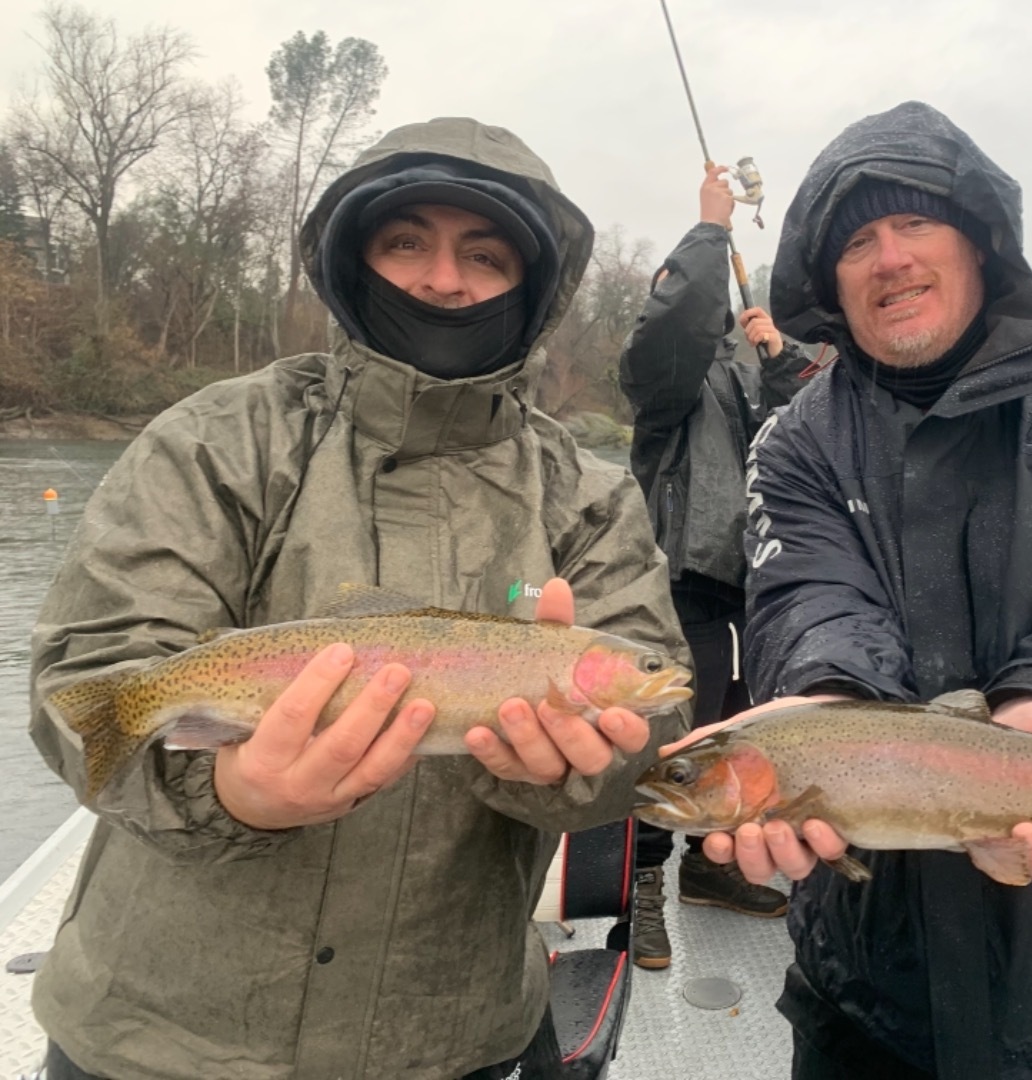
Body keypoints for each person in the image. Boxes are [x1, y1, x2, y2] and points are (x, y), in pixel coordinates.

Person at [29, 117, 689, 1080]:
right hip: (159, 1040)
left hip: (452, 1038)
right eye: (406, 242)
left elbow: (647, 758)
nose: (443, 279)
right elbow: (84, 687)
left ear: (532, 290)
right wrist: (231, 794)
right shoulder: (217, 439)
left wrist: (571, 773)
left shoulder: (588, 495)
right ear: (355, 260)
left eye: (486, 255)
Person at [704, 101, 1032, 1079]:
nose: (889, 257)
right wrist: (827, 708)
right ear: (828, 281)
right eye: (857, 240)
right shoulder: (793, 444)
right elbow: (808, 607)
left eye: (915, 223)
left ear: (981, 239)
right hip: (866, 993)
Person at [617, 163, 810, 969]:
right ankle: (643, 893)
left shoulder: (745, 369)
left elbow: (811, 427)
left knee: (744, 738)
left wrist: (783, 357)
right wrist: (712, 229)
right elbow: (680, 322)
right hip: (680, 590)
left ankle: (712, 869)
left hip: (757, 589)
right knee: (668, 747)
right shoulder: (662, 377)